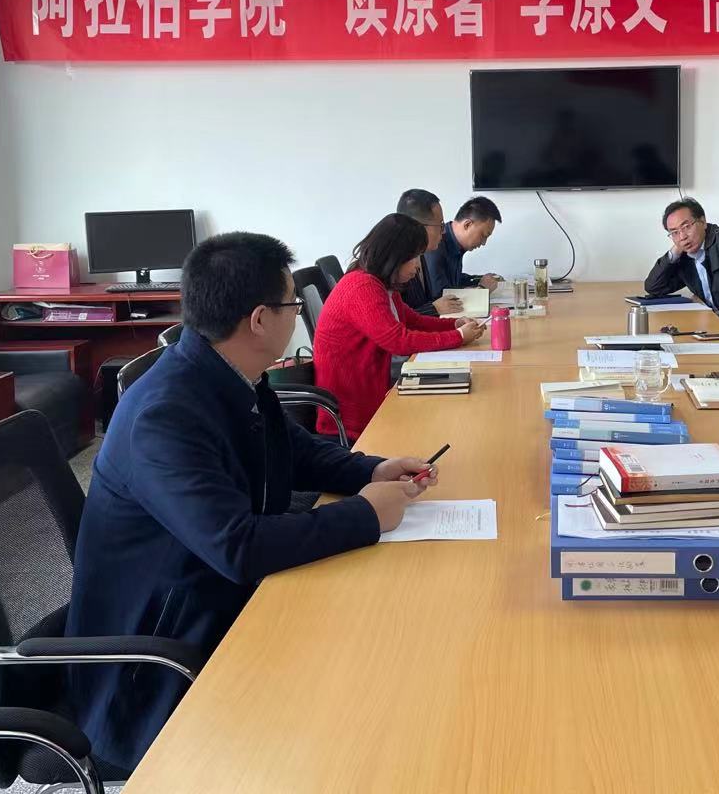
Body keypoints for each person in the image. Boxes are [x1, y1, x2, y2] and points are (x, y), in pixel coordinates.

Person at [66, 232, 440, 772]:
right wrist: (366, 514)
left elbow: (292, 448)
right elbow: (237, 548)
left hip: (223, 602)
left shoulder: (225, 372)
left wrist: (370, 470)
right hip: (157, 669)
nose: (298, 316)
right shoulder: (163, 417)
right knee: (367, 693)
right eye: (292, 306)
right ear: (261, 320)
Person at [315, 213, 486, 441]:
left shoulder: (382, 284)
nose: (417, 266)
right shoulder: (362, 287)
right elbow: (398, 341)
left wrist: (454, 324)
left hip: (374, 394)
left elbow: (412, 320)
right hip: (351, 420)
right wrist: (457, 336)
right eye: (413, 258)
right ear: (394, 256)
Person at [642, 197, 719, 342]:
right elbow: (653, 287)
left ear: (703, 222)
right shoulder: (684, 256)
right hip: (715, 327)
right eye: (674, 232)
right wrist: (674, 253)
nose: (682, 236)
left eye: (686, 227)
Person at [395, 188, 462, 316]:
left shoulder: (422, 254)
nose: (443, 231)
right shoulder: (395, 264)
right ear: (418, 226)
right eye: (440, 225)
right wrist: (433, 308)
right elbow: (395, 318)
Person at [428, 195, 503, 295]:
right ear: (467, 225)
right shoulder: (435, 245)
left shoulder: (456, 244)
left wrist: (481, 279)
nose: (484, 243)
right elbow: (441, 297)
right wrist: (482, 288)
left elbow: (456, 280)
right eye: (483, 235)